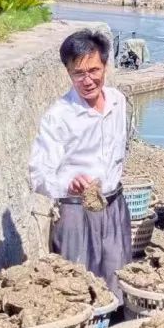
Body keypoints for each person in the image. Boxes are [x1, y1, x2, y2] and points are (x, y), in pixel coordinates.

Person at [30, 30, 131, 300]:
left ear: (106, 66)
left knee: (118, 279)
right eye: (78, 73)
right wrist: (68, 184)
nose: (87, 80)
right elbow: (38, 175)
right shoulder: (59, 116)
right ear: (68, 72)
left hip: (114, 205)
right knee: (76, 286)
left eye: (94, 70)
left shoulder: (118, 101)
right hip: (75, 211)